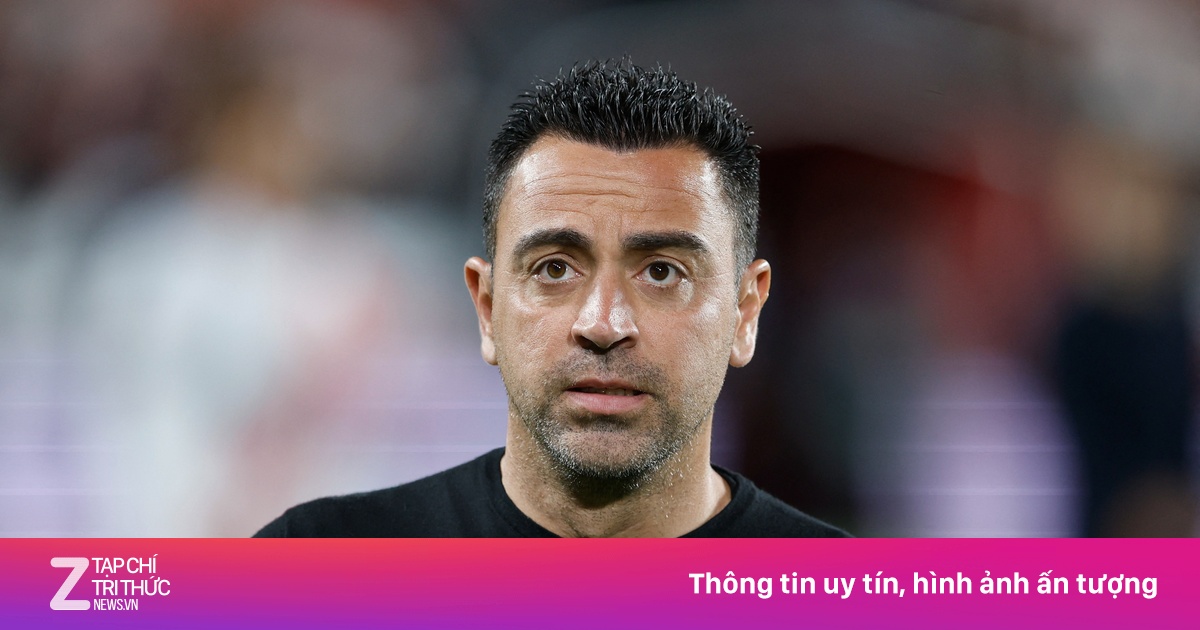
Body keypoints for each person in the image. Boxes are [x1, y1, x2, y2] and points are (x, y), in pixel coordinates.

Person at [255, 60, 847, 537]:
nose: (604, 323)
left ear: (745, 313)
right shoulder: (315, 570)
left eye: (662, 272)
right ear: (487, 308)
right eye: (555, 268)